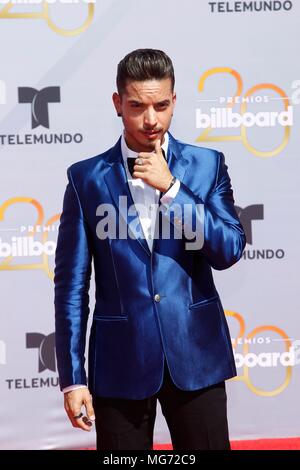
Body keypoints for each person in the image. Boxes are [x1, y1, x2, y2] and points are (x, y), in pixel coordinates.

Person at [54, 48, 246, 451]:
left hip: (197, 357)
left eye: (161, 105)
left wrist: (173, 191)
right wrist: (73, 377)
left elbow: (228, 249)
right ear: (118, 104)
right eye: (138, 106)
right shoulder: (86, 178)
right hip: (120, 362)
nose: (151, 120)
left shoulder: (206, 165)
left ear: (174, 101)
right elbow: (71, 287)